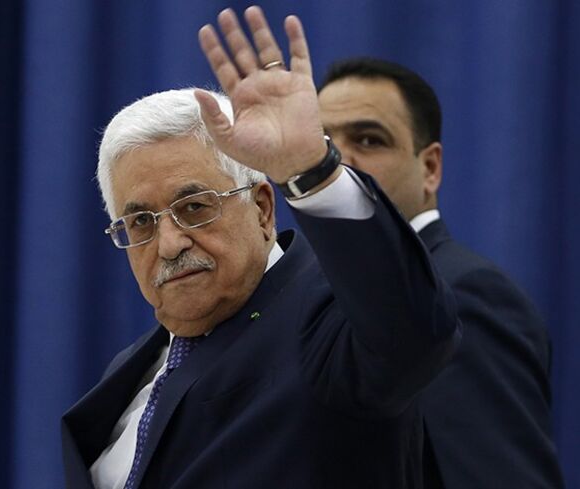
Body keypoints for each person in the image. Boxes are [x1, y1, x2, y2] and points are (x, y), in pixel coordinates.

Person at [62, 7, 460, 488]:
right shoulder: (131, 368)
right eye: (141, 221)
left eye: (194, 207)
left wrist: (311, 170)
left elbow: (412, 332)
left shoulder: (334, 326)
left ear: (263, 209)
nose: (168, 244)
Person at [317, 58, 565, 488]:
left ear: (430, 168)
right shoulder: (313, 294)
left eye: (369, 140)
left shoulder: (462, 293)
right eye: (322, 144)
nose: (337, 162)